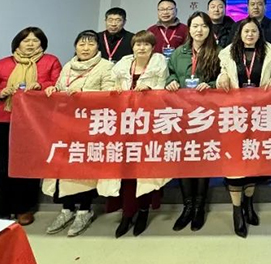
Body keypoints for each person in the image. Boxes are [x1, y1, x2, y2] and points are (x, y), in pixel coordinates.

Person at [43, 30, 114, 236]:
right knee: (63, 169)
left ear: (98, 47)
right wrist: (52, 91)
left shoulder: (106, 66)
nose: (85, 48)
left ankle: (84, 210)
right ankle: (66, 210)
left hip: (90, 126)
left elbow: (110, 94)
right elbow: (60, 88)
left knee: (84, 170)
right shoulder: (68, 66)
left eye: (90, 44)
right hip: (65, 125)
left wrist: (84, 95)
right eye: (81, 44)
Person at [217, 17, 271, 238]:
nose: (250, 35)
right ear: (240, 33)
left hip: (259, 115)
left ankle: (249, 204)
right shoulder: (227, 53)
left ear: (259, 33)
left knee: (254, 159)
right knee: (234, 162)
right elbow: (222, 73)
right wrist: (222, 77)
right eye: (246, 31)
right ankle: (237, 210)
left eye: (254, 31)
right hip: (234, 115)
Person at [107, 30, 170, 238]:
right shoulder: (123, 64)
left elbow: (164, 89)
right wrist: (115, 89)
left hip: (149, 123)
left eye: (146, 44)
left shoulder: (160, 63)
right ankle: (127, 212)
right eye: (138, 44)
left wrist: (150, 88)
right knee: (126, 168)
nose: (141, 48)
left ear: (153, 47)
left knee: (146, 168)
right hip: (124, 123)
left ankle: (144, 210)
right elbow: (110, 84)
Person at [165, 12, 221, 232]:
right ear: (188, 28)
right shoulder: (179, 52)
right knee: (184, 159)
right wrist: (171, 81)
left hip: (206, 114)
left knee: (202, 159)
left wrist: (212, 85)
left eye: (204, 26)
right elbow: (170, 73)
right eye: (195, 26)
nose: (199, 30)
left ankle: (199, 206)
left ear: (209, 29)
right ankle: (187, 206)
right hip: (182, 113)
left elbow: (224, 78)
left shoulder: (218, 52)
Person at [0, 27, 61, 225]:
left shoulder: (50, 61)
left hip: (34, 121)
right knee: (3, 166)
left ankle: (24, 208)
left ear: (42, 43)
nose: (30, 44)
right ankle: (3, 208)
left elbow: (58, 84)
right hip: (5, 119)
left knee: (27, 165)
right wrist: (2, 92)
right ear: (17, 43)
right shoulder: (4, 63)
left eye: (35, 41)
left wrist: (40, 86)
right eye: (26, 40)